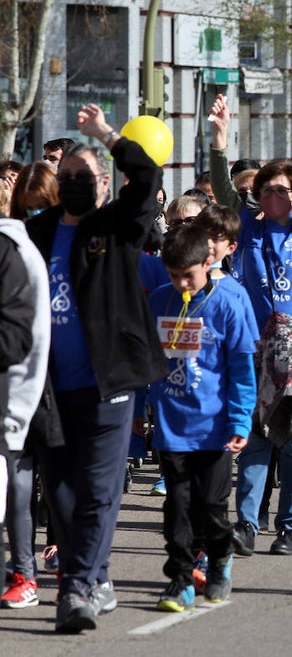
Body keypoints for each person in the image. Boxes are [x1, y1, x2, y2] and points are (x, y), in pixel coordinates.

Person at [26, 107, 168, 632]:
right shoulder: (35, 233)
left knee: (100, 488)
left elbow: (149, 179)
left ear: (104, 182)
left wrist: (108, 135)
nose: (73, 185)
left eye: (83, 178)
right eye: (66, 179)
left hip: (108, 382)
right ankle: (95, 574)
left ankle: (78, 587)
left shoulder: (117, 226)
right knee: (60, 492)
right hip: (49, 389)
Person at [208, 93, 292, 558]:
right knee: (257, 444)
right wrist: (220, 142)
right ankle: (247, 525)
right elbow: (223, 190)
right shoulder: (248, 228)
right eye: (266, 189)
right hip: (257, 352)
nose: (273, 195)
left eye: (283, 190)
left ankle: (290, 525)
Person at [147, 225, 258, 611]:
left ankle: (219, 561)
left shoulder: (226, 303)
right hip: (171, 426)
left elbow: (242, 370)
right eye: (173, 275)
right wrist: (140, 409)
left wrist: (241, 421)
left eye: (188, 276)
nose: (181, 284)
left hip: (214, 429)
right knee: (177, 508)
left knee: (211, 508)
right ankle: (180, 579)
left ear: (208, 264)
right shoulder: (160, 301)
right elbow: (146, 362)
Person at [0, 214, 45, 610]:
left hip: (27, 393)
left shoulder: (14, 250)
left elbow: (15, 336)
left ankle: (27, 572)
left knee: (20, 487)